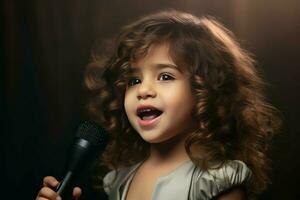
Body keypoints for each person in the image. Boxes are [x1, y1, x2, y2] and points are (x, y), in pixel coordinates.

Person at [36, 10, 281, 200]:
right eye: (133, 80)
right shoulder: (121, 179)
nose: (143, 90)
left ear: (205, 89)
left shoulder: (217, 180)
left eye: (165, 76)